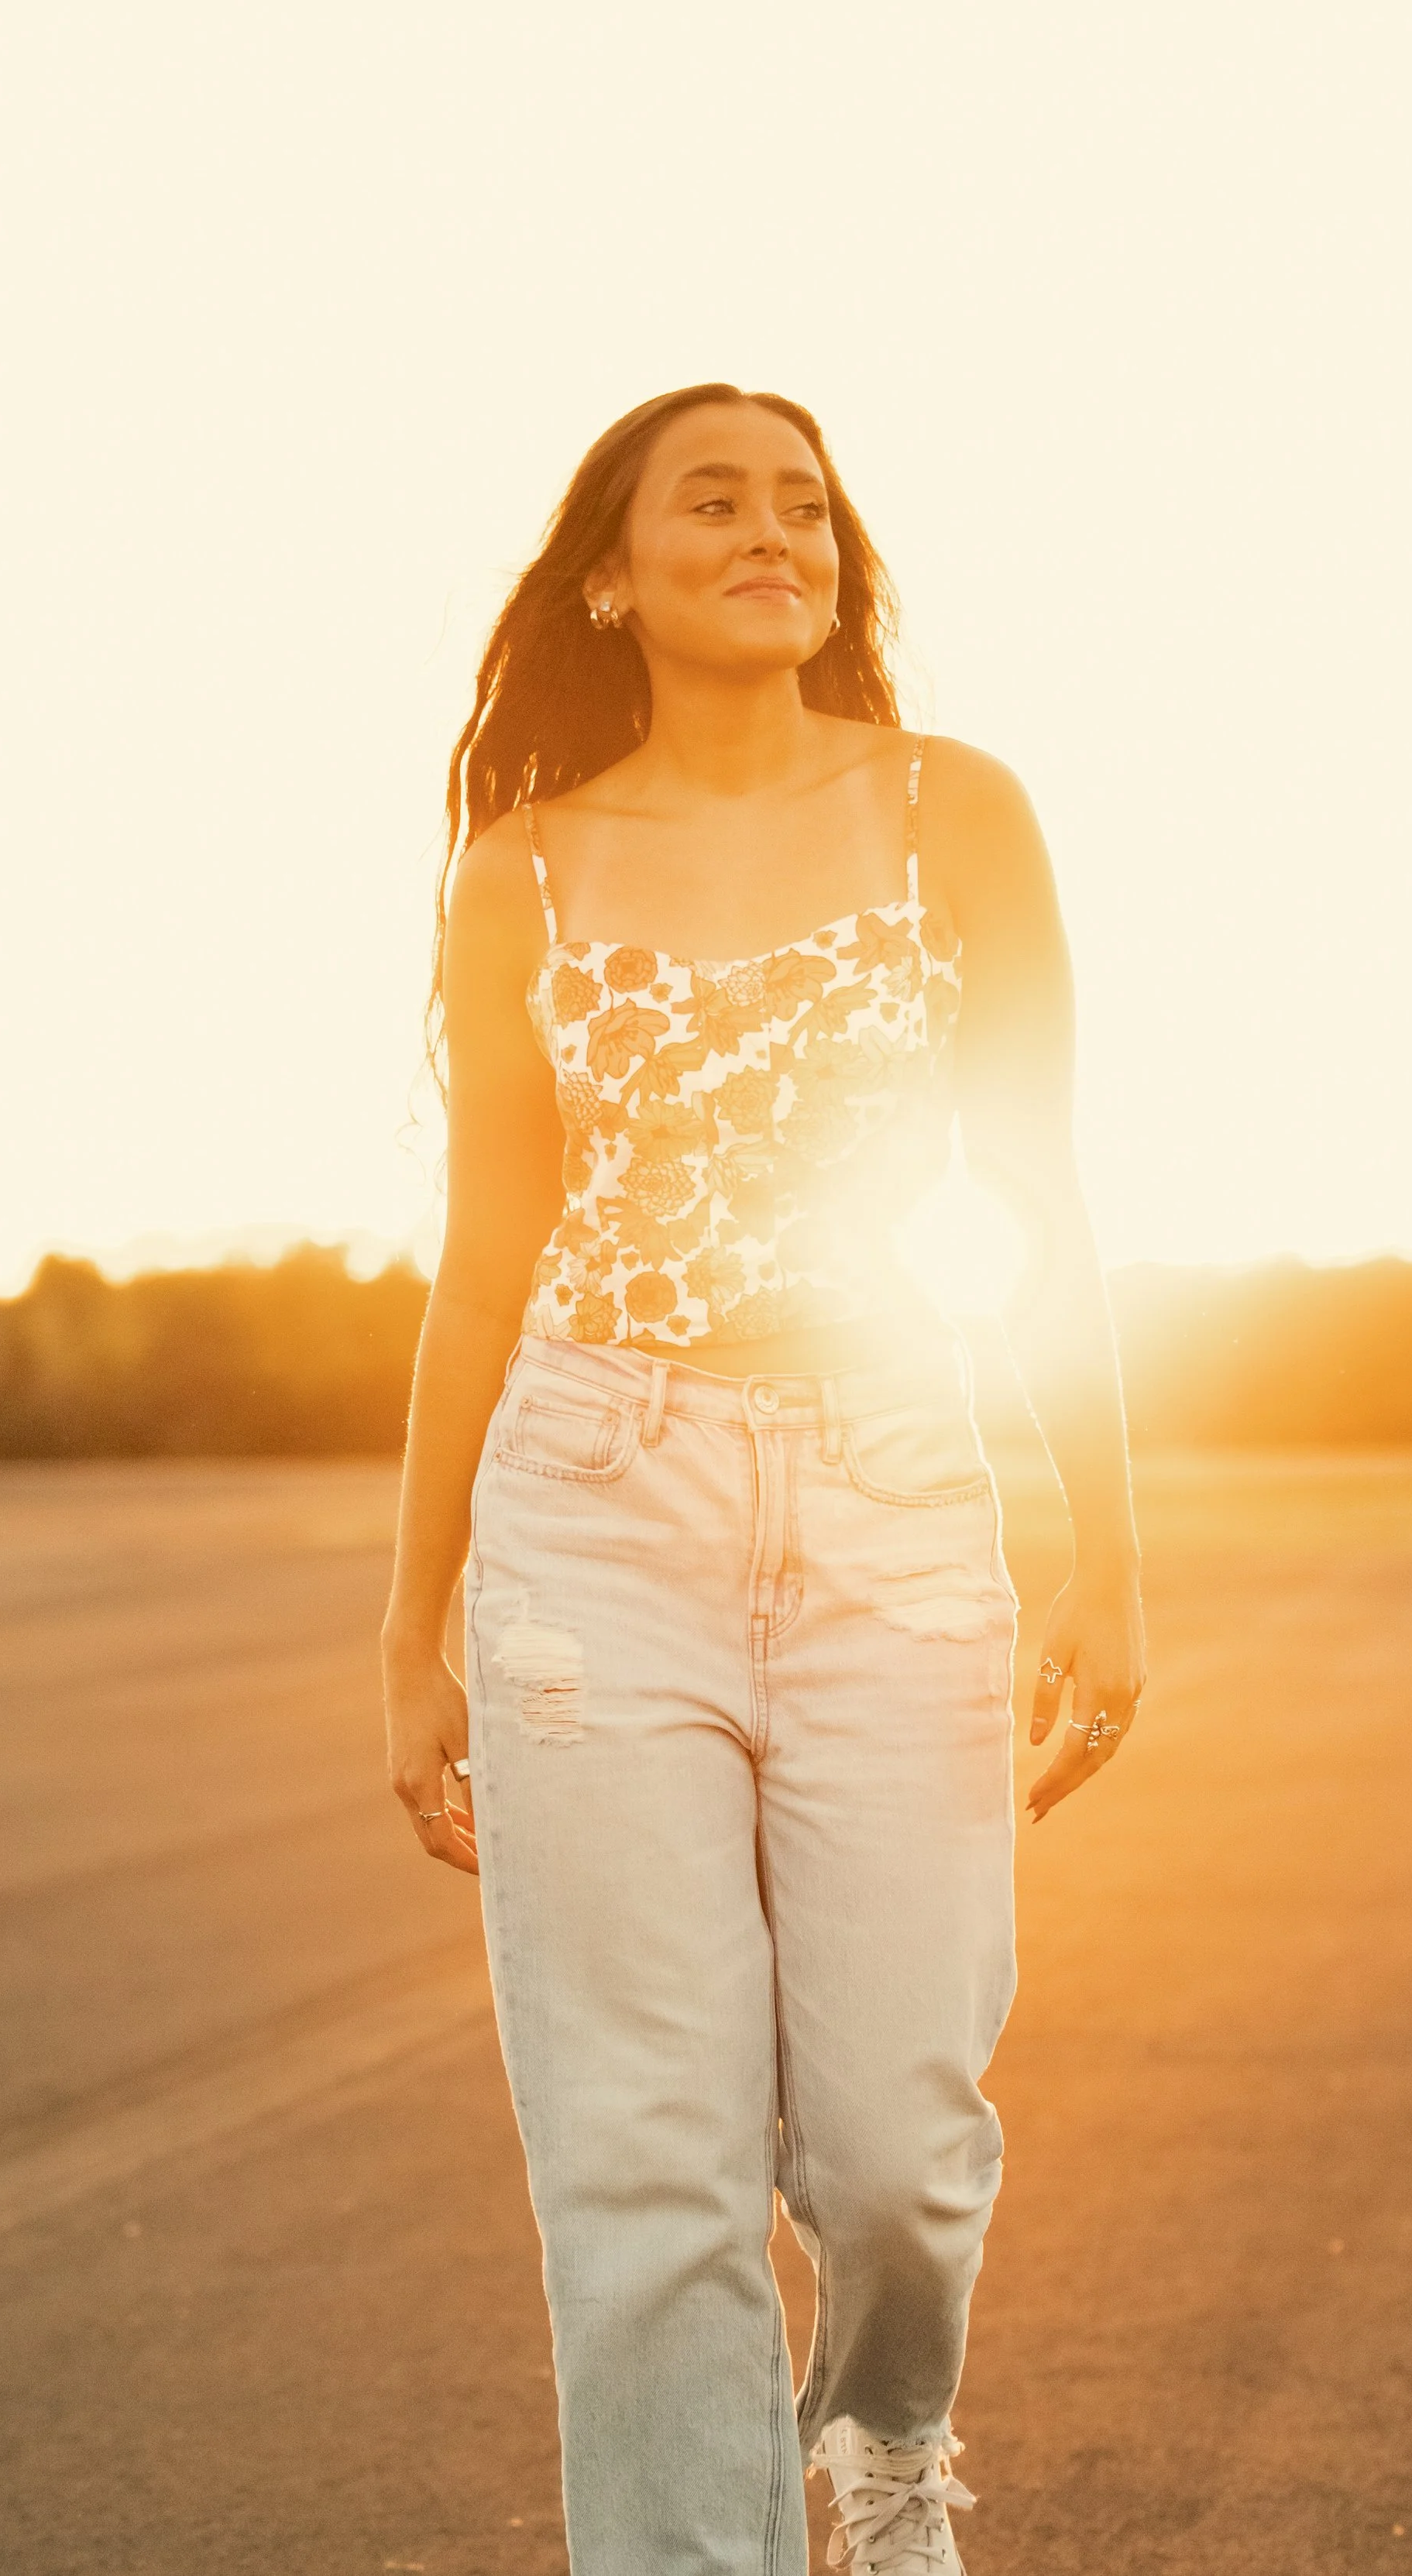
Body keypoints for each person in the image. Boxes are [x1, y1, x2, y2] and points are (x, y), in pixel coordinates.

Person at [381, 383, 1144, 2575]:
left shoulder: (950, 810)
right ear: (608, 579)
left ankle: (887, 2433)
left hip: (892, 1491)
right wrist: (410, 1622)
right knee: (643, 2161)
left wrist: (1106, 1547)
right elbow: (485, 1258)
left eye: (805, 503)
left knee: (900, 2141)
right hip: (590, 1513)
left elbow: (1037, 1195)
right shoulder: (523, 872)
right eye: (710, 500)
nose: (771, 532)